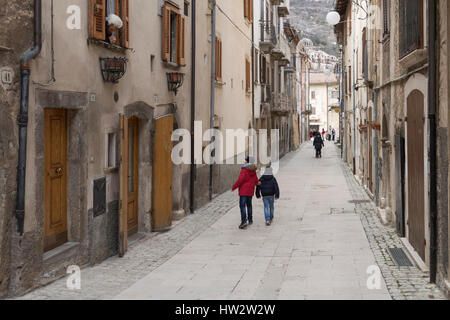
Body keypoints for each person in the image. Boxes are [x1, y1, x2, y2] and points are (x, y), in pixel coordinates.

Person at [232, 156, 260, 229]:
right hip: (250, 191)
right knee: (249, 205)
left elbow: (240, 180)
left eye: (245, 160)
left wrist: (234, 187)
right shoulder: (253, 170)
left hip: (243, 191)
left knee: (242, 206)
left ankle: (244, 221)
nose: (244, 161)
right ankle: (250, 219)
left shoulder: (244, 170)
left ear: (247, 161)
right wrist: (258, 183)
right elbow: (256, 180)